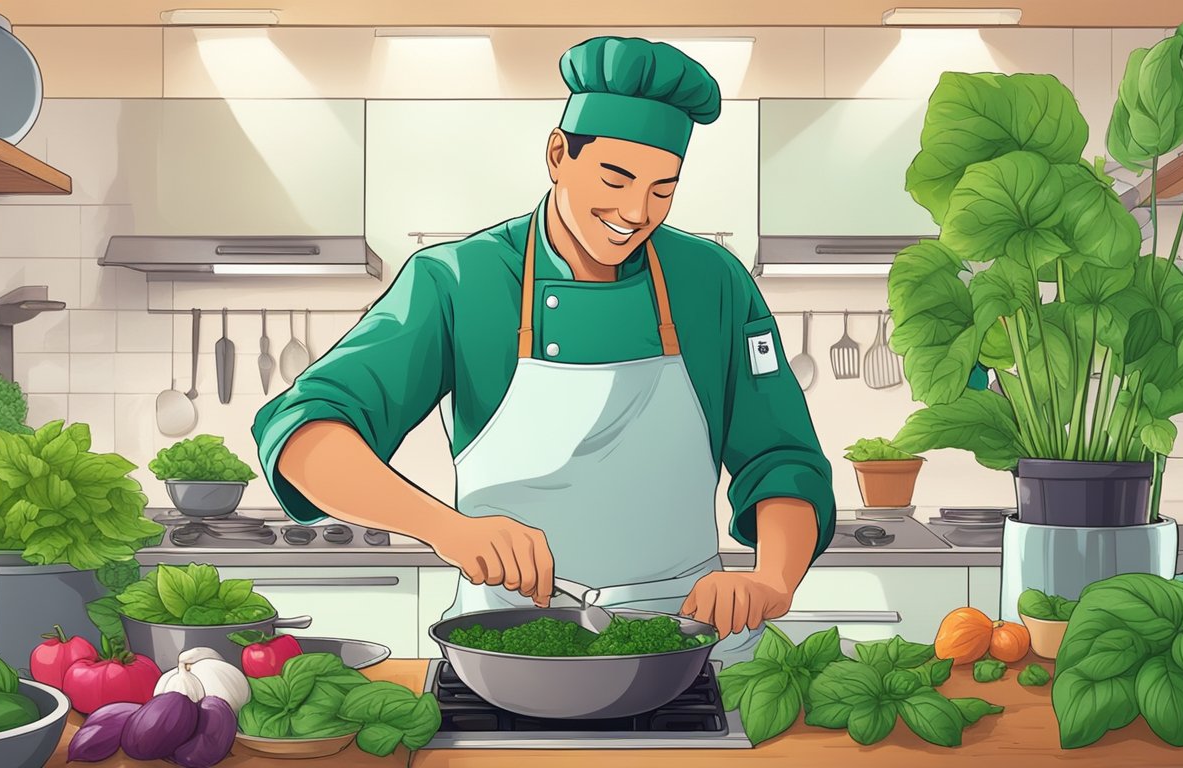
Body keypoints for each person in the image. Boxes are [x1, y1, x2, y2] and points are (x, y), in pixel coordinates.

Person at [252, 36, 835, 666]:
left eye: (663, 189)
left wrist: (771, 579)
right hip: (506, 645)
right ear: (558, 154)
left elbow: (781, 459)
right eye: (616, 178)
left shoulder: (713, 282)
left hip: (689, 640)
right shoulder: (457, 281)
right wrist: (447, 528)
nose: (636, 212)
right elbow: (306, 429)